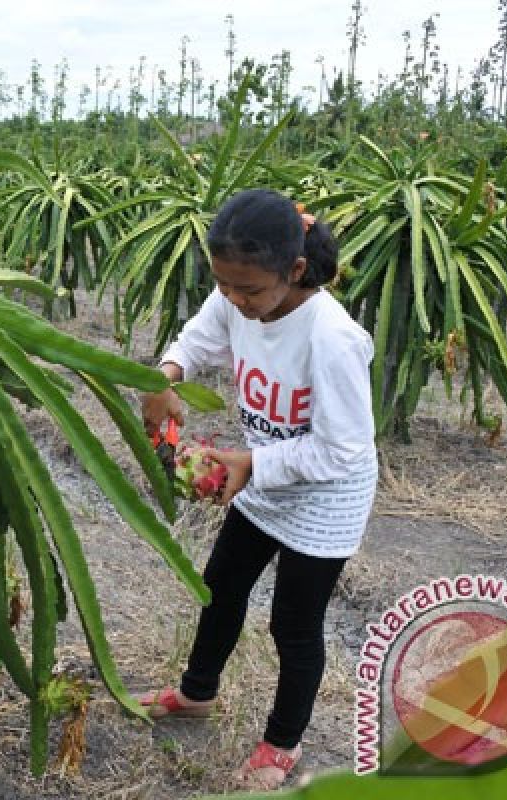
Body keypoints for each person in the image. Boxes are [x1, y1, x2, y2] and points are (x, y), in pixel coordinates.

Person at [139, 188, 377, 790]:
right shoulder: (233, 298)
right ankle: (197, 694)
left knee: (292, 625)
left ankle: (282, 742)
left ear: (295, 270)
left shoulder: (332, 338)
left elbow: (341, 449)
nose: (234, 300)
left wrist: (251, 462)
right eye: (224, 285)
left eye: (248, 290)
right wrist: (166, 376)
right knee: (218, 587)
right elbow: (194, 341)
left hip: (325, 498)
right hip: (263, 473)